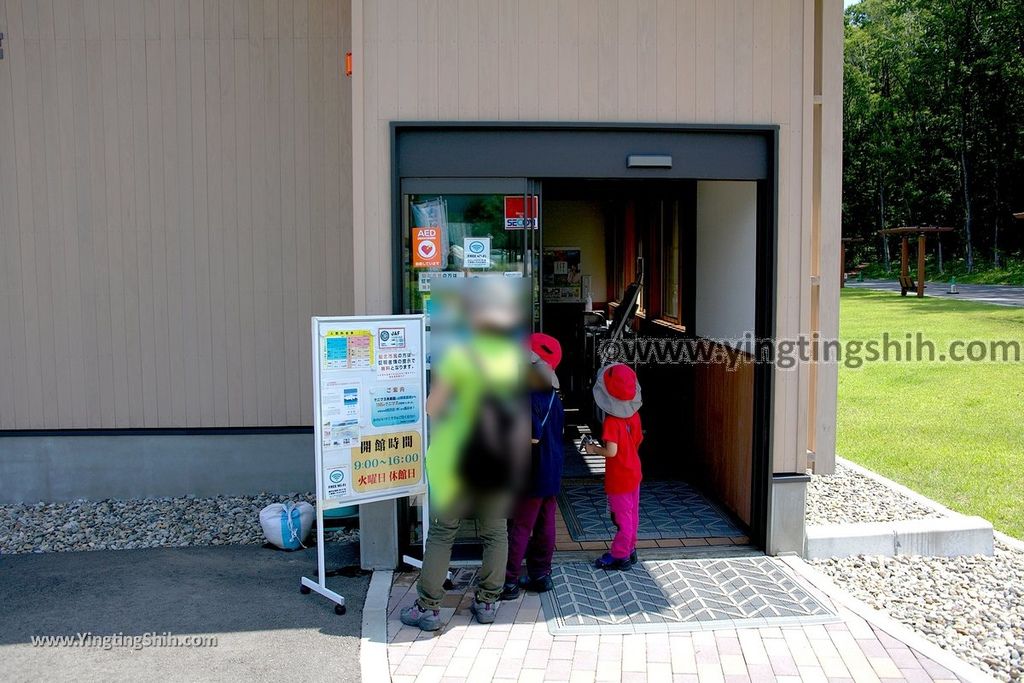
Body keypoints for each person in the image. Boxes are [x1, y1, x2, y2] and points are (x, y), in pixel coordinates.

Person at [400, 279, 528, 632]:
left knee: (443, 533)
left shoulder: (458, 356)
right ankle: (487, 602)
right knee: (495, 533)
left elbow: (432, 406)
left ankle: (429, 609)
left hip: (456, 460)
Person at [501, 333, 565, 600]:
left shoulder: (527, 394)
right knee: (545, 522)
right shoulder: (553, 395)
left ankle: (510, 581)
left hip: (531, 471)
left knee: (520, 526)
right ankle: (541, 574)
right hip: (552, 469)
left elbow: (532, 435)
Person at [583, 363, 643, 570]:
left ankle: (620, 555)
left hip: (619, 477)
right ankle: (631, 548)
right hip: (634, 470)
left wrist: (593, 449)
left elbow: (611, 451)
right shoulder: (634, 415)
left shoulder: (612, 421)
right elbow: (637, 440)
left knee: (621, 517)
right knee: (632, 514)